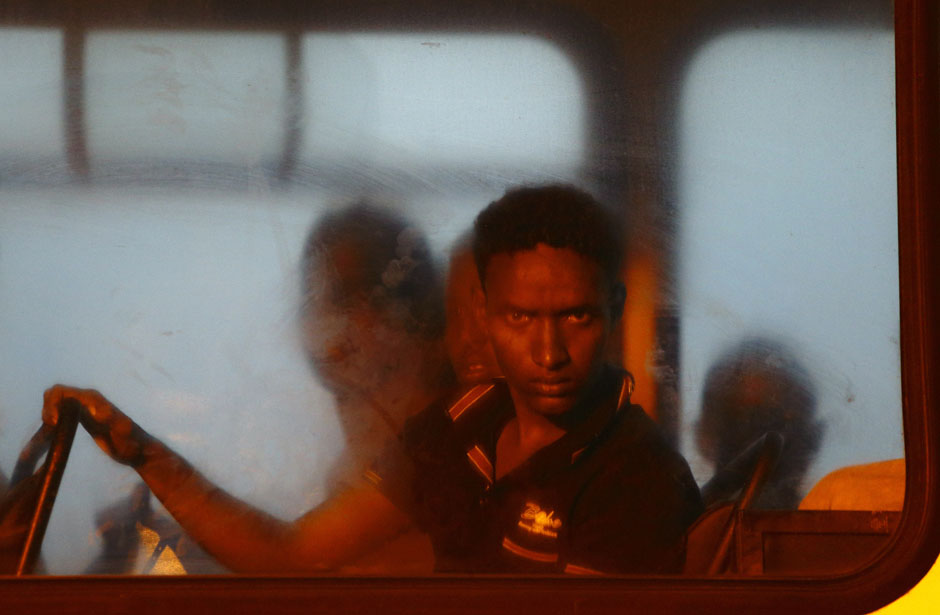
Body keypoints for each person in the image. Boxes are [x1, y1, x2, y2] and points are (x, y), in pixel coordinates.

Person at [41, 184, 702, 575]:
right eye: (522, 317)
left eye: (576, 317)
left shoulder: (636, 478)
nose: (549, 349)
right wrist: (147, 455)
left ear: (614, 311)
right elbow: (296, 555)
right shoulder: (463, 424)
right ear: (482, 313)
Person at [695, 337, 823, 509]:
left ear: (812, 440)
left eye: (780, 421)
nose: (757, 441)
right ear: (703, 435)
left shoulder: (838, 528)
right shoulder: (668, 527)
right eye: (737, 420)